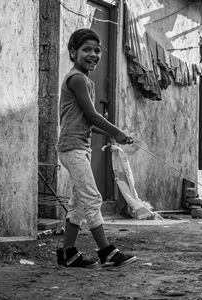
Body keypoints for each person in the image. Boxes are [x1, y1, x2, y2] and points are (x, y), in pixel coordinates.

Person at [55, 28, 137, 268]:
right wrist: (116, 131)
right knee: (93, 198)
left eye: (97, 50)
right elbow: (92, 115)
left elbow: (89, 121)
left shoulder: (86, 81)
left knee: (79, 203)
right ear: (73, 52)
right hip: (72, 148)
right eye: (86, 50)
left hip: (79, 146)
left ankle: (68, 253)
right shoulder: (77, 78)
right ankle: (107, 252)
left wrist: (117, 135)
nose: (93, 54)